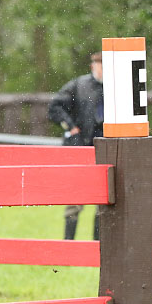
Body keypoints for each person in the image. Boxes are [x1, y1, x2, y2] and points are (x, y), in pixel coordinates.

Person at [48, 51, 104, 240]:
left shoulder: (116, 89)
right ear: (93, 66)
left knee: (103, 202)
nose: (103, 69)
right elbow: (54, 106)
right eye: (100, 65)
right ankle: (69, 246)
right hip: (80, 149)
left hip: (105, 150)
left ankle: (98, 246)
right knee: (75, 199)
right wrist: (70, 127)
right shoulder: (79, 85)